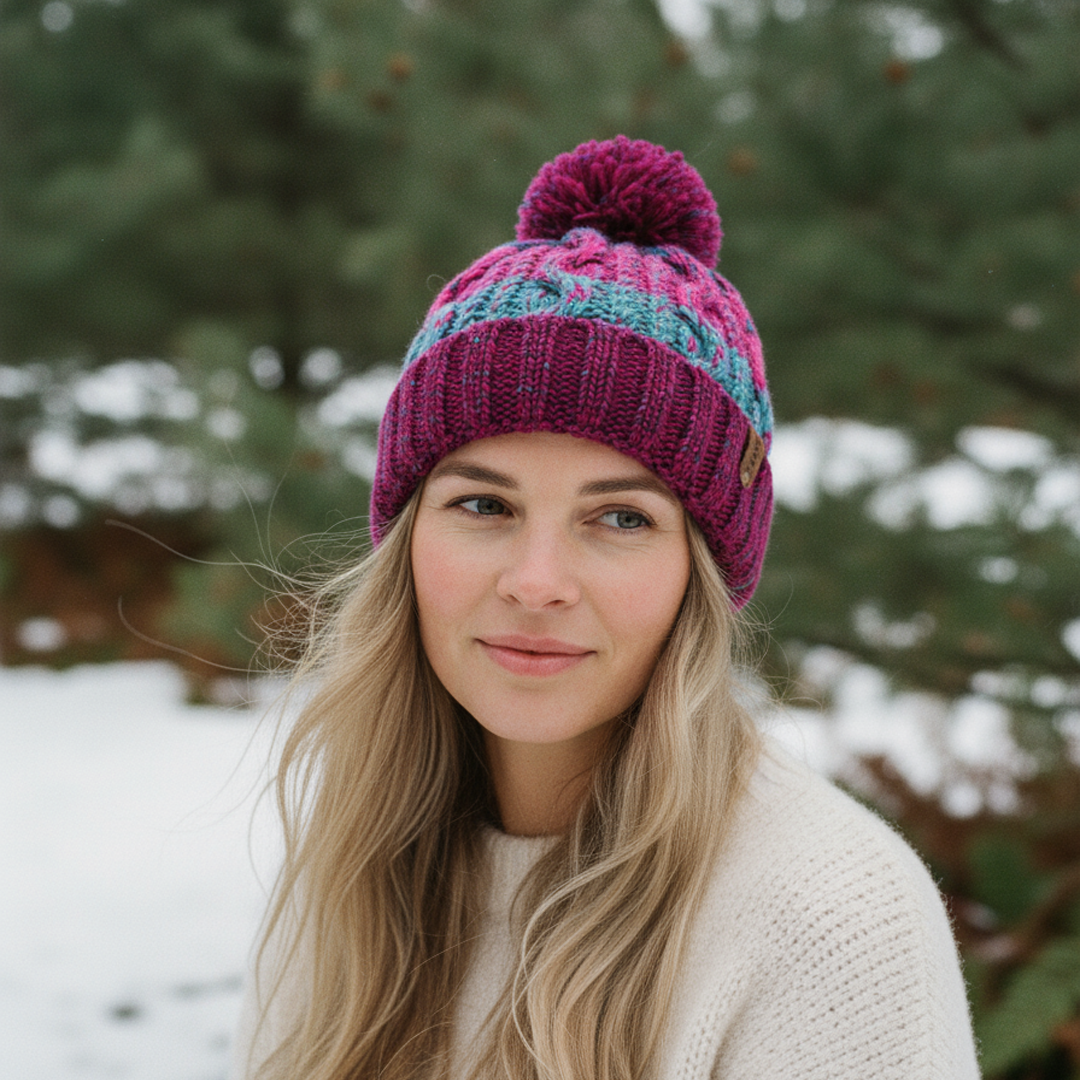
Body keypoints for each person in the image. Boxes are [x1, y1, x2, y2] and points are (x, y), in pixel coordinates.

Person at [230, 137, 980, 1079]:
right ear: (407, 546)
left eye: (620, 517)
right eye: (483, 505)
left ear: (699, 570)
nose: (537, 579)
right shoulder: (347, 879)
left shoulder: (832, 921)